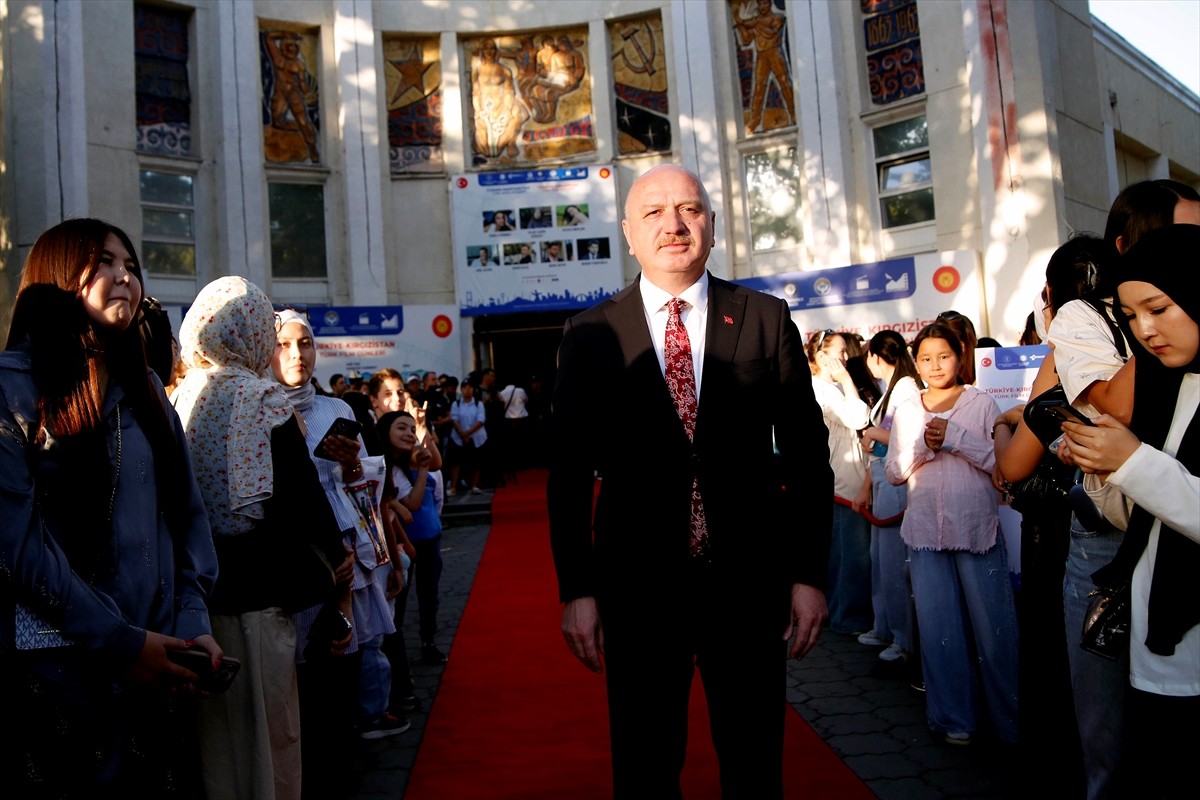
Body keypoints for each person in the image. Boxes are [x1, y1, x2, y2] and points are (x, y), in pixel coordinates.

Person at [547, 164, 831, 796]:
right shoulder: (590, 334)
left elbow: (809, 459)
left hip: (748, 586)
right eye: (653, 212)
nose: (673, 224)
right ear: (627, 232)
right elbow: (567, 472)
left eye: (689, 209)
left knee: (755, 764)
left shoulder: (763, 318)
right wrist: (578, 588)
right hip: (638, 587)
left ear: (711, 223)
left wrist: (809, 574)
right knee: (646, 767)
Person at [0, 218, 220, 794]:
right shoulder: (13, 388)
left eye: (132, 266)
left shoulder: (146, 385)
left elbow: (186, 514)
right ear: (57, 274)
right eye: (104, 262)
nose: (125, 277)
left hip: (161, 667)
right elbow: (16, 546)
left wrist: (193, 625)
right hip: (60, 676)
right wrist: (120, 643)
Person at [172, 276, 350, 800]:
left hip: (198, 604)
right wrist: (335, 566)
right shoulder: (266, 401)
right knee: (269, 736)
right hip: (261, 598)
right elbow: (302, 502)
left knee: (217, 739)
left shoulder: (183, 396)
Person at [1065, 224, 1200, 798]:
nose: (1146, 330)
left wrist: (1134, 461)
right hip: (1156, 642)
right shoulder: (1169, 384)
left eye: (1161, 308)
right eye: (1131, 315)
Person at [271, 310, 408, 793]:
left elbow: (367, 492)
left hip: (347, 555)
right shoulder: (258, 410)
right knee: (294, 678)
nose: (297, 354)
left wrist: (353, 467)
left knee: (339, 671)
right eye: (284, 344)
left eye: (305, 343)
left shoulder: (339, 412)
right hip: (292, 558)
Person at [886, 322, 1019, 746]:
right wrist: (924, 445)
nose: (934, 365)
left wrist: (956, 438)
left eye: (943, 356)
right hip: (925, 532)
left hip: (976, 528)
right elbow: (893, 472)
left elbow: (1001, 467)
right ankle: (953, 719)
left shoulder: (981, 404)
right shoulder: (908, 409)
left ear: (961, 356)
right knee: (940, 632)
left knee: (996, 632)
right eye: (925, 358)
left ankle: (1011, 721)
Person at [853, 330, 922, 669]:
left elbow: (908, 434)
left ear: (879, 357)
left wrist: (873, 434)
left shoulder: (906, 386)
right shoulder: (891, 387)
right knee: (881, 558)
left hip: (896, 480)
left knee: (894, 561)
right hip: (883, 476)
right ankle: (885, 627)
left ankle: (902, 637)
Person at [807, 330, 873, 635]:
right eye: (840, 352)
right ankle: (848, 618)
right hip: (842, 485)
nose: (845, 359)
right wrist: (847, 381)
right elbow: (859, 418)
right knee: (850, 556)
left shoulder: (825, 388)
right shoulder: (823, 389)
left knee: (846, 553)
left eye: (847, 353)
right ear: (822, 357)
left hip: (844, 482)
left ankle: (845, 614)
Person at [378, 410, 448, 666]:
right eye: (401, 428)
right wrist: (395, 504)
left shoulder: (410, 455)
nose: (408, 434)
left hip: (428, 534)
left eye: (411, 429)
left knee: (429, 595)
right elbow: (398, 503)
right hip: (402, 542)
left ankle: (428, 643)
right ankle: (398, 661)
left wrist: (421, 427)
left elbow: (436, 462)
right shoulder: (381, 464)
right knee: (400, 603)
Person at [447, 378, 487, 495]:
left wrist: (468, 433)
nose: (468, 390)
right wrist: (462, 434)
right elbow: (454, 419)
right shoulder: (456, 403)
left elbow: (480, 420)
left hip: (476, 437)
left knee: (476, 462)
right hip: (459, 437)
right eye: (465, 388)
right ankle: (454, 486)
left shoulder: (478, 403)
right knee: (456, 462)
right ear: (462, 390)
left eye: (470, 387)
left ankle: (474, 485)